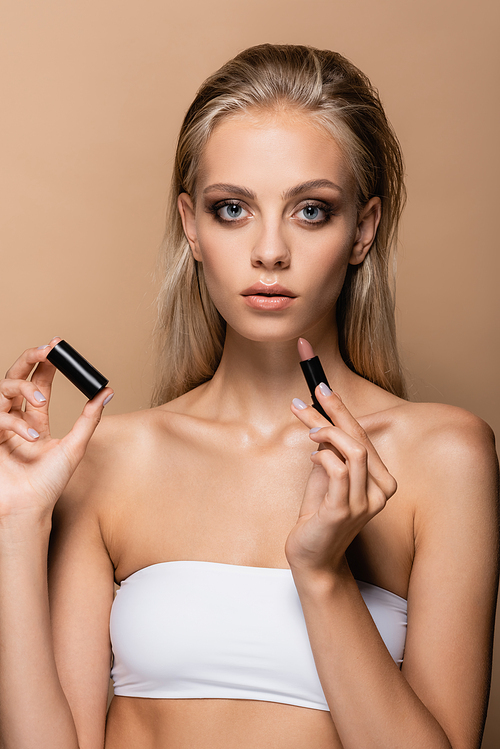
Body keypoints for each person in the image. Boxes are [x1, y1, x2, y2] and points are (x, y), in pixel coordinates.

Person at [0, 44, 497, 749]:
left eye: (312, 211)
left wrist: (323, 576)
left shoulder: (446, 457)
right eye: (232, 208)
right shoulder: (106, 458)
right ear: (191, 226)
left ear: (364, 229)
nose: (269, 250)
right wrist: (17, 526)